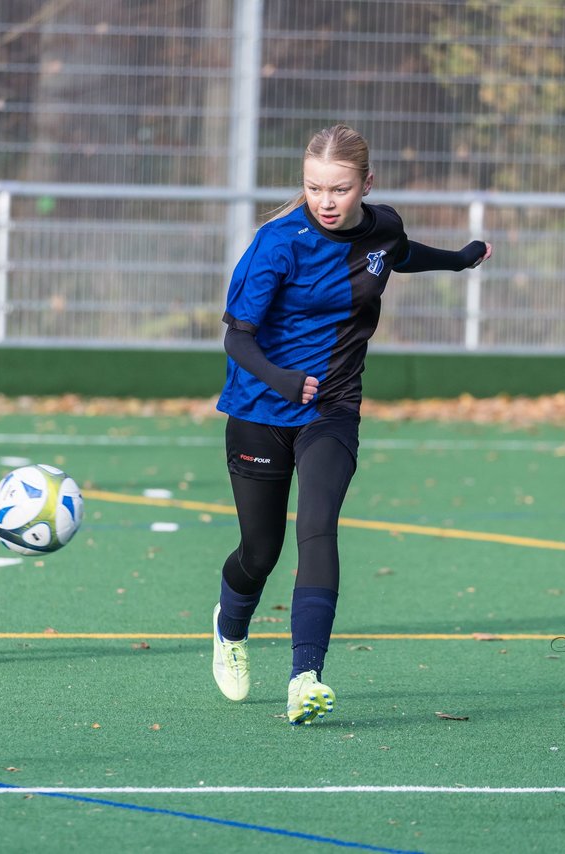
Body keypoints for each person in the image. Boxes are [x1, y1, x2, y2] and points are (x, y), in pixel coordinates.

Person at [211, 124, 492, 724]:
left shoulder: (382, 225)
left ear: (367, 184)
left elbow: (400, 254)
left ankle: (304, 677)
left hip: (333, 408)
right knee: (260, 554)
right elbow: (238, 336)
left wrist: (459, 261)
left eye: (339, 189)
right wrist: (283, 379)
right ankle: (229, 628)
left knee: (318, 527)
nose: (327, 202)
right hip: (260, 410)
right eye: (314, 188)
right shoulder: (276, 242)